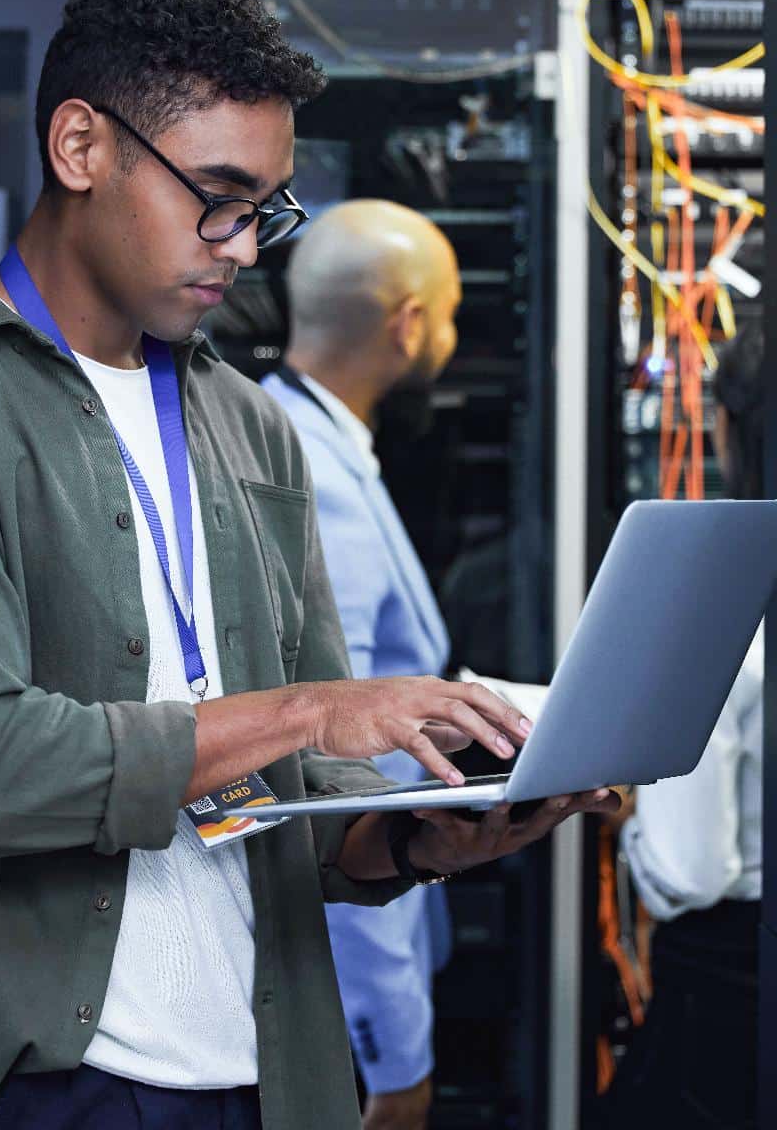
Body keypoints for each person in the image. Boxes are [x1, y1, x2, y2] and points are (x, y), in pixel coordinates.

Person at [0, 0, 626, 1130]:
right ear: (82, 146)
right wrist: (306, 713)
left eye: (267, 208)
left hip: (270, 1082)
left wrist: (420, 836)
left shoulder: (248, 425)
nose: (243, 247)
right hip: (47, 1093)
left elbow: (299, 813)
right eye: (219, 197)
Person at [261, 200, 465, 1130]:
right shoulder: (311, 473)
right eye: (452, 313)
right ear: (409, 323)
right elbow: (345, 774)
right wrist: (395, 1049)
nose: (453, 336)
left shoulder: (303, 442)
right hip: (341, 989)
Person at [604, 320, 766, 1128]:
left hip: (731, 1007)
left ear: (729, 426)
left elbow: (690, 871)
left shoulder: (708, 604)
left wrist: (633, 814)